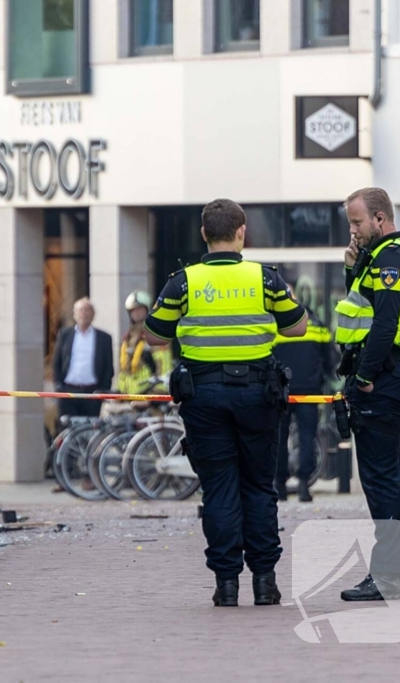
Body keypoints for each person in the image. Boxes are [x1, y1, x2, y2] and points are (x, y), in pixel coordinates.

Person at [145, 199, 307, 607]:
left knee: (218, 490)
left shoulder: (184, 281)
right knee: (259, 487)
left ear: (204, 234)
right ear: (242, 232)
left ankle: (227, 584)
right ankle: (266, 583)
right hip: (258, 395)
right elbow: (298, 327)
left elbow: (154, 336)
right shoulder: (265, 279)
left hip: (204, 398)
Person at [335, 187, 400, 602]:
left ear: (379, 219)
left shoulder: (391, 258)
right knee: (396, 476)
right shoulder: (387, 256)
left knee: (381, 479)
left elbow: (384, 324)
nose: (353, 230)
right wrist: (353, 269)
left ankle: (389, 576)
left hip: (384, 377)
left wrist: (366, 377)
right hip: (396, 374)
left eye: (357, 222)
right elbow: (365, 307)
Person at [272, 293, 337, 502]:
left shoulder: (275, 326)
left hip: (281, 392)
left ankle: (279, 485)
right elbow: (330, 360)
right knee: (307, 436)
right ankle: (303, 485)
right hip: (309, 391)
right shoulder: (317, 326)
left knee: (278, 438)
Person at [51, 297, 114, 421]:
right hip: (68, 391)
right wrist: (58, 385)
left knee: (90, 432)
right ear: (74, 314)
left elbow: (108, 367)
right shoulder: (65, 335)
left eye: (87, 310)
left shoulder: (104, 338)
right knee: (67, 431)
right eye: (80, 310)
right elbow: (56, 362)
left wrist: (103, 389)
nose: (84, 313)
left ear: (93, 314)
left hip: (92, 393)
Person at [116, 290, 173, 397]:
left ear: (147, 310)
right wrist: (118, 393)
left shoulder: (156, 335)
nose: (136, 313)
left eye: (139, 309)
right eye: (132, 310)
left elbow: (164, 367)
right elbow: (123, 371)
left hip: (148, 396)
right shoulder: (127, 338)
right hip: (127, 396)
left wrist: (157, 395)